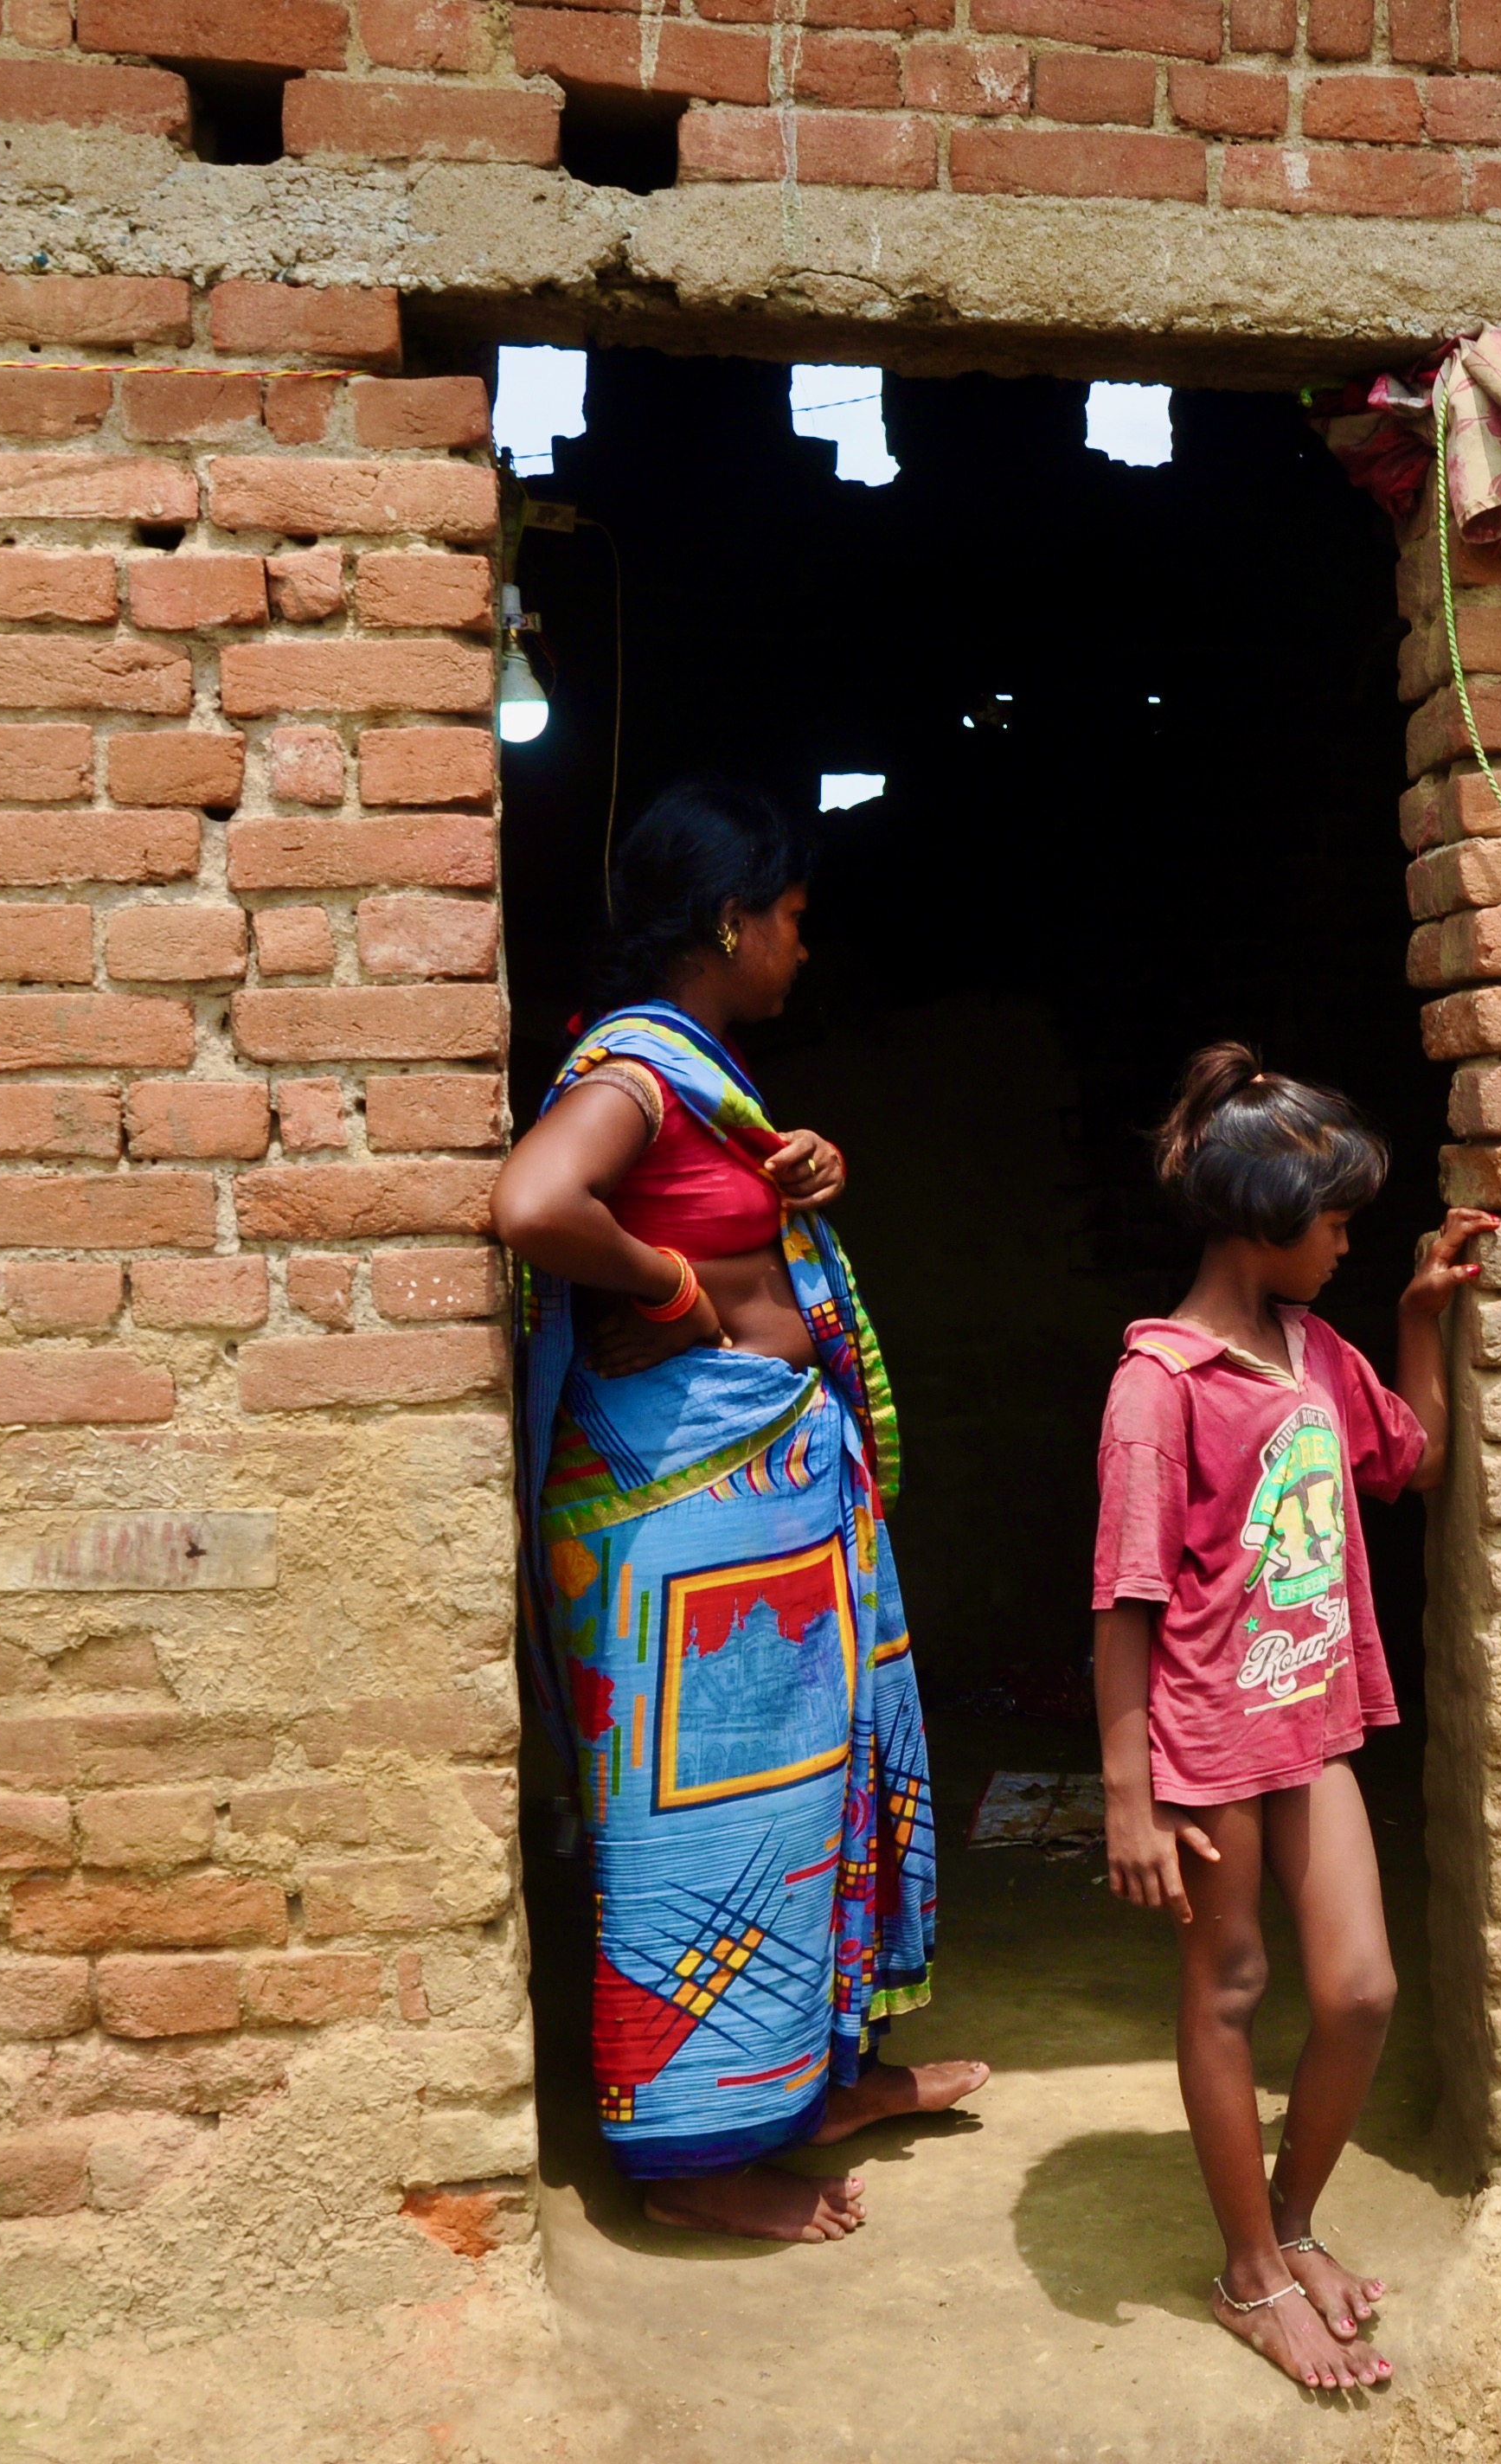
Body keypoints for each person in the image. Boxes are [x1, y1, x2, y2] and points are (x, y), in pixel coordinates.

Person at [492, 777, 985, 2244]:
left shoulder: (696, 1077)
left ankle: (809, 2090)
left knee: (798, 1808)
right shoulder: (634, 1070)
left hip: (749, 1519)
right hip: (682, 1531)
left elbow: (708, 1208)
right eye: (791, 917)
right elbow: (536, 1205)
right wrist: (673, 1290)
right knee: (700, 1837)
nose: (801, 946)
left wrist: (799, 1175)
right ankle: (694, 2163)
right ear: (727, 920)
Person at [1088, 1044, 1498, 2390]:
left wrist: (1422, 1318)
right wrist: (1130, 1797)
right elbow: (1124, 1601)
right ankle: (1251, 2272)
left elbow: (1414, 1461)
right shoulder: (1159, 1386)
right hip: (1207, 1740)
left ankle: (1294, 2217)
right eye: (1334, 1221)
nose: (1345, 1244)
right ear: (1265, 1218)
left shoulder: (1313, 1350)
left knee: (1361, 1989)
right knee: (1230, 1989)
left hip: (1308, 1720)